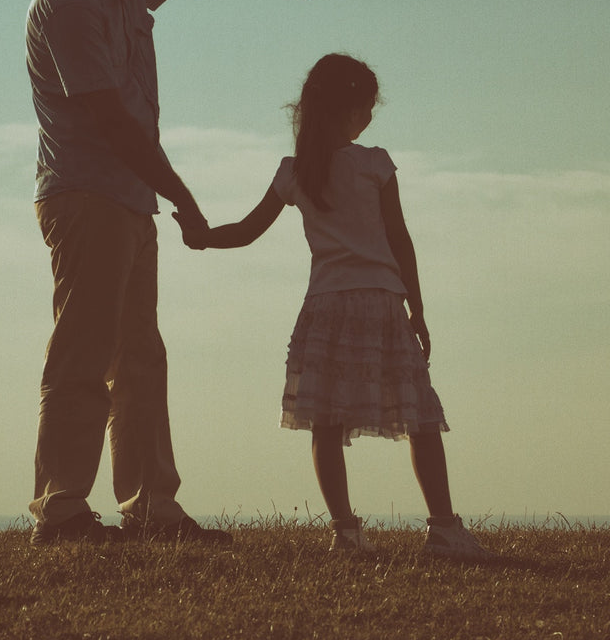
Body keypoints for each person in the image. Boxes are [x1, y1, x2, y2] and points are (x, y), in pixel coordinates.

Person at [25, 0, 328, 545]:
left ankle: (151, 507)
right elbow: (109, 119)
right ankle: (63, 509)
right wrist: (184, 198)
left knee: (139, 357)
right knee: (84, 353)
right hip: (87, 194)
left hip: (128, 199)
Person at [188, 53, 491, 559]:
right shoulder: (375, 163)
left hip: (326, 305)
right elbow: (400, 239)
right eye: (365, 108)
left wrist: (202, 237)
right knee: (419, 416)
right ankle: (443, 527)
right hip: (379, 301)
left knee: (326, 421)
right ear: (345, 110)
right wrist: (418, 309)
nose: (370, 118)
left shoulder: (295, 171)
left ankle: (346, 531)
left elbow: (245, 232)